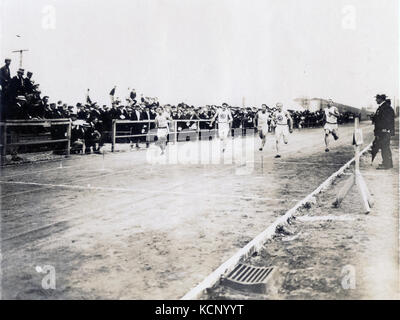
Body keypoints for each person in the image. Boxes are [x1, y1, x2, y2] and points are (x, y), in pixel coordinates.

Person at [371, 94, 395, 170]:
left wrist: (384, 130)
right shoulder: (383, 107)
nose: (376, 100)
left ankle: (386, 165)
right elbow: (379, 119)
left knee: (384, 147)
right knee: (385, 147)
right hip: (383, 131)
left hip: (383, 131)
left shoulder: (386, 108)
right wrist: (374, 118)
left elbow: (386, 120)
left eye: (377, 99)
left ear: (381, 99)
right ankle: (387, 163)